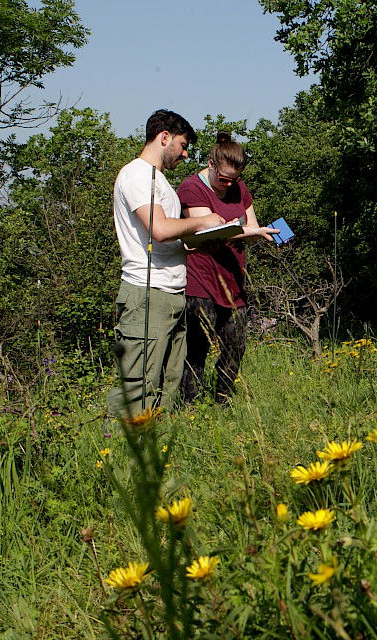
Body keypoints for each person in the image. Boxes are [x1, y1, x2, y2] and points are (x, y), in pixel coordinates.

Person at [108, 110, 225, 417]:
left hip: (172, 292)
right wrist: (200, 223)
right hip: (147, 293)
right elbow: (158, 229)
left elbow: (172, 238)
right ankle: (117, 450)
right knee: (138, 384)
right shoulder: (135, 174)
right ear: (164, 138)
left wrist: (209, 234)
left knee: (169, 382)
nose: (185, 154)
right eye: (183, 145)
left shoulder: (159, 181)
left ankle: (159, 449)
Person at [177, 131, 279, 403]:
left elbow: (250, 227)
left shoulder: (239, 189)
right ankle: (190, 407)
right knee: (197, 348)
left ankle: (222, 400)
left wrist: (260, 235)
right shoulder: (191, 189)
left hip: (234, 279)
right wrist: (249, 231)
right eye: (223, 179)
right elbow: (211, 230)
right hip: (201, 280)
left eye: (235, 179)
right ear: (211, 164)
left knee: (236, 345)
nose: (229, 184)